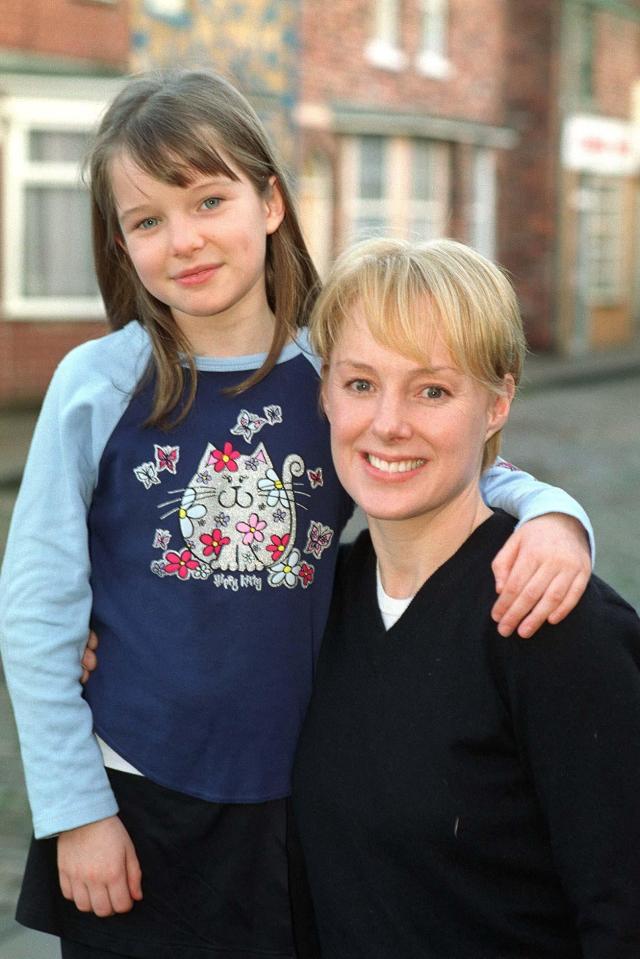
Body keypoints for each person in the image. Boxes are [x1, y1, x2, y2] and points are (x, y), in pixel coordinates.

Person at [0, 69, 592, 959]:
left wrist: (552, 512)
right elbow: (37, 605)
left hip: (304, 793)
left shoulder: (329, 370)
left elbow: (430, 459)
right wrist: (74, 808)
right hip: (134, 795)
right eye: (147, 220)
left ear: (270, 201)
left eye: (208, 200)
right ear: (119, 242)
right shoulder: (97, 385)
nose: (184, 240)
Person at [292, 237, 640, 958]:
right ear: (325, 392)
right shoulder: (317, 598)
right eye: (360, 383)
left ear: (497, 402)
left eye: (432, 390)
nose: (388, 422)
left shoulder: (555, 625)